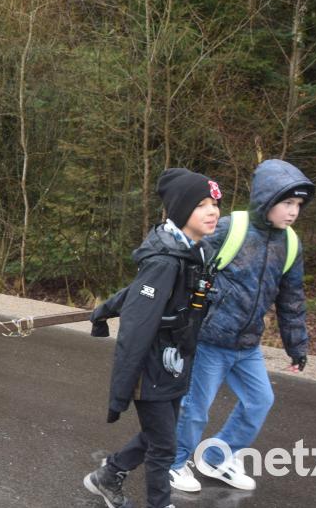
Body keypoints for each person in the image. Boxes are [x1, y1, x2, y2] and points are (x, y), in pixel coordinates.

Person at [168, 159, 313, 493]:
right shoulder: (231, 227)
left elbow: (292, 298)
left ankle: (217, 458)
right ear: (266, 198)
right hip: (208, 339)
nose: (293, 212)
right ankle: (174, 463)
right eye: (287, 202)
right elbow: (183, 261)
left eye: (298, 205)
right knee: (195, 409)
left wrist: (297, 346)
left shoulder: (290, 243)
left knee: (260, 401)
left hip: (247, 345)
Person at [84, 168, 221, 508]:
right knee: (164, 446)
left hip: (174, 361)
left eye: (214, 203)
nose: (213, 211)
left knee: (160, 434)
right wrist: (120, 393)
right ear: (180, 211)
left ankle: (109, 473)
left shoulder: (193, 251)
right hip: (151, 369)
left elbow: (136, 294)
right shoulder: (165, 261)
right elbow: (136, 327)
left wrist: (102, 310)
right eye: (201, 204)